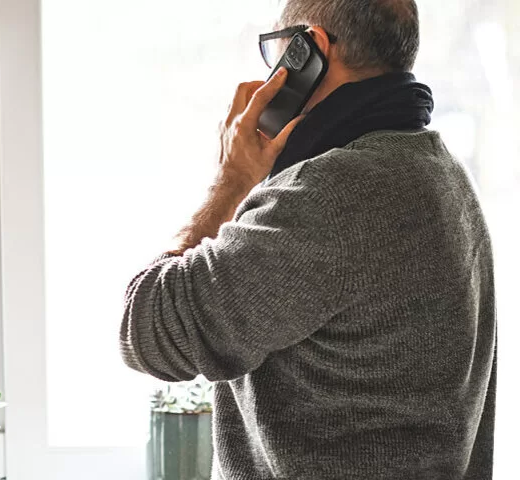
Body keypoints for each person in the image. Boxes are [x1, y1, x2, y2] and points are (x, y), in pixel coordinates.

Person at [118, 0, 495, 478]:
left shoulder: (328, 199)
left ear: (307, 50)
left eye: (275, 50)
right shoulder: (443, 174)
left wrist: (231, 180)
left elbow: (147, 331)